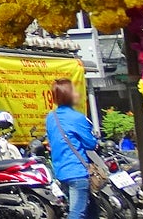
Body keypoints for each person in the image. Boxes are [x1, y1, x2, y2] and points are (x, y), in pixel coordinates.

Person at [44, 78, 100, 219]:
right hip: (77, 172)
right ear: (69, 95)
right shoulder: (77, 118)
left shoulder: (51, 117)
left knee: (91, 211)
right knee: (77, 213)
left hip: (61, 172)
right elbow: (91, 144)